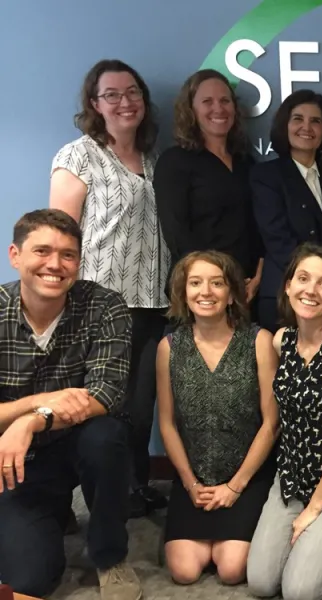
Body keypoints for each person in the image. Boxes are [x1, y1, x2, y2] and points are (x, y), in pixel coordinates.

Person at [49, 59, 170, 517]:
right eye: (112, 94)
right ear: (94, 103)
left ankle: (133, 487)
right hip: (98, 304)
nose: (125, 102)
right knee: (93, 404)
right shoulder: (78, 156)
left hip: (153, 303)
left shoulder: (155, 161)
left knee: (139, 408)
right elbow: (59, 235)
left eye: (132, 92)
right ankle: (60, 502)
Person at [0, 209, 140, 599]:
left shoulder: (104, 305)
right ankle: (56, 511)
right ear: (15, 255)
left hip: (79, 441)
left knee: (107, 435)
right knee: (30, 580)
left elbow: (106, 393)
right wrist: (40, 401)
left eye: (67, 255)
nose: (55, 264)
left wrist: (31, 420)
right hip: (18, 459)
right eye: (42, 251)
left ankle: (110, 556)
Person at [247, 244, 322, 600]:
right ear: (287, 286)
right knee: (260, 582)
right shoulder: (281, 340)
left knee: (300, 592)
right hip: (290, 476)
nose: (311, 290)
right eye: (303, 279)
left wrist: (314, 509)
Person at [157, 251, 278, 585]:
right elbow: (166, 423)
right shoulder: (169, 347)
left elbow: (272, 423)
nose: (205, 292)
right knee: (184, 571)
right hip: (194, 478)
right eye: (195, 283)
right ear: (183, 292)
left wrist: (235, 486)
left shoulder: (259, 341)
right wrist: (190, 483)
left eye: (217, 283)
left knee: (232, 569)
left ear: (232, 294)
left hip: (247, 475)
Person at [155, 69, 264, 305]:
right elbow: (177, 234)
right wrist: (216, 282)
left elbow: (258, 227)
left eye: (225, 100)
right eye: (207, 101)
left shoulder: (246, 162)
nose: (218, 108)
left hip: (246, 291)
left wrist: (258, 275)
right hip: (199, 291)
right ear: (190, 110)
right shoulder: (175, 162)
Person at [251, 90, 322, 333]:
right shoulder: (266, 175)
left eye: (315, 121)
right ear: (284, 125)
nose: (306, 127)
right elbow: (276, 237)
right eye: (298, 119)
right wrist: (316, 279)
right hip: (284, 296)